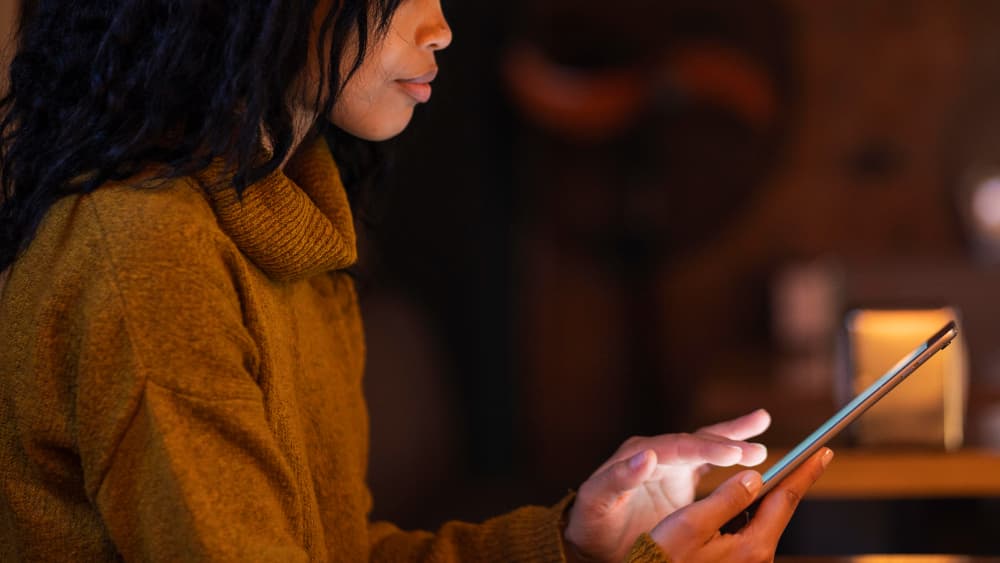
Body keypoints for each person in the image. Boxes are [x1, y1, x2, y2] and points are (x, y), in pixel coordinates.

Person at [0, 0, 831, 561]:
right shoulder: (147, 250)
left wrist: (578, 543)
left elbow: (338, 550)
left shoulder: (291, 226)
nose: (441, 27)